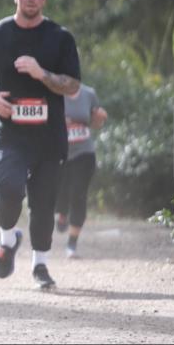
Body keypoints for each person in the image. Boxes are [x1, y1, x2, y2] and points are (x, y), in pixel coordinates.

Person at [0, 0, 81, 289]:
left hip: (49, 137)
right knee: (7, 189)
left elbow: (72, 86)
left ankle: (40, 267)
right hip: (11, 133)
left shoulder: (60, 37)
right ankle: (8, 240)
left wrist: (41, 72)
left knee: (43, 204)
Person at [56, 83, 107, 258]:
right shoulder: (54, 92)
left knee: (78, 194)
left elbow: (96, 123)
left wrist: (99, 118)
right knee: (59, 194)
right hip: (59, 153)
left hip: (84, 153)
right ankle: (62, 213)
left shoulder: (88, 93)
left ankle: (72, 244)